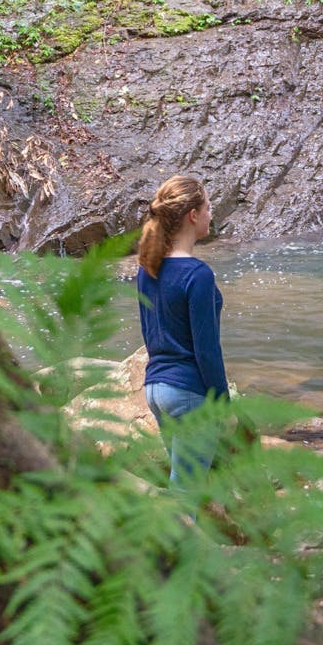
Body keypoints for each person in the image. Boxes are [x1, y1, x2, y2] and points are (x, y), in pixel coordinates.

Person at [135, 175, 227, 483]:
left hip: (156, 389)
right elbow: (207, 349)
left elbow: (150, 334)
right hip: (189, 394)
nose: (211, 215)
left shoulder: (147, 269)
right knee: (185, 494)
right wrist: (222, 402)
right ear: (193, 215)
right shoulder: (197, 275)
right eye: (208, 208)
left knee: (182, 485)